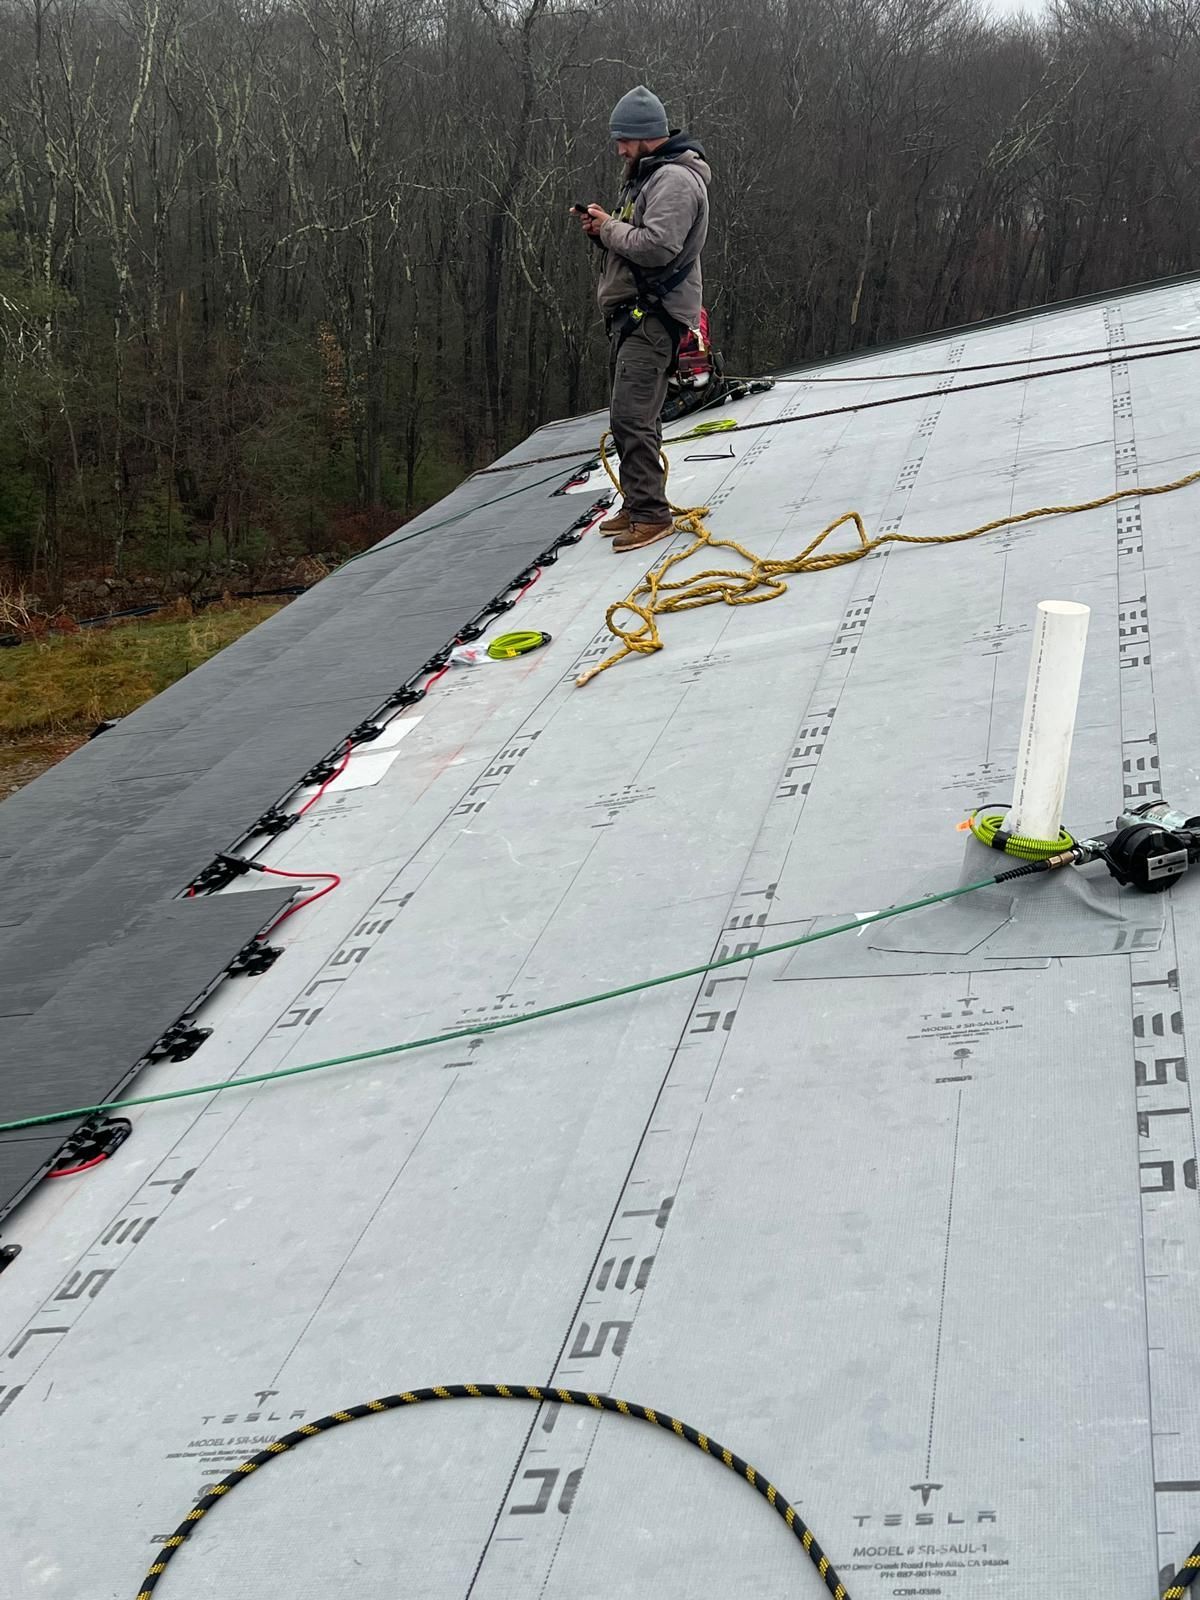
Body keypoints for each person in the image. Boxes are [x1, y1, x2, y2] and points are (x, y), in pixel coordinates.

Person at [576, 86, 711, 553]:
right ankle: (638, 502)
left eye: (624, 140)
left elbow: (657, 246)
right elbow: (638, 241)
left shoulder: (673, 180)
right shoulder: (648, 176)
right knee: (631, 414)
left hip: (652, 317)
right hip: (637, 315)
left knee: (633, 415)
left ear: (646, 136)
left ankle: (651, 515)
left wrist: (609, 228)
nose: (619, 150)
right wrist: (603, 231)